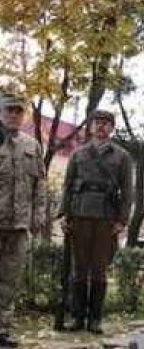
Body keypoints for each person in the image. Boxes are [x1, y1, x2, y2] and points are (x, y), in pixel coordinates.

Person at [60, 109, 132, 334]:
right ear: (90, 126)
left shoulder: (122, 156)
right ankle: (78, 317)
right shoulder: (78, 154)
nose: (101, 126)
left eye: (106, 123)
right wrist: (65, 214)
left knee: (99, 270)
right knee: (79, 269)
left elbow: (127, 191)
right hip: (80, 214)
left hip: (105, 217)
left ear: (112, 128)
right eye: (97, 122)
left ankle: (95, 319)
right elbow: (68, 185)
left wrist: (122, 220)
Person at [0, 95, 46, 348]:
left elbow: (40, 184)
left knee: (10, 279)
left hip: (19, 225)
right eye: (9, 111)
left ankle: (2, 330)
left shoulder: (32, 145)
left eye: (18, 111)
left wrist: (38, 214)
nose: (14, 115)